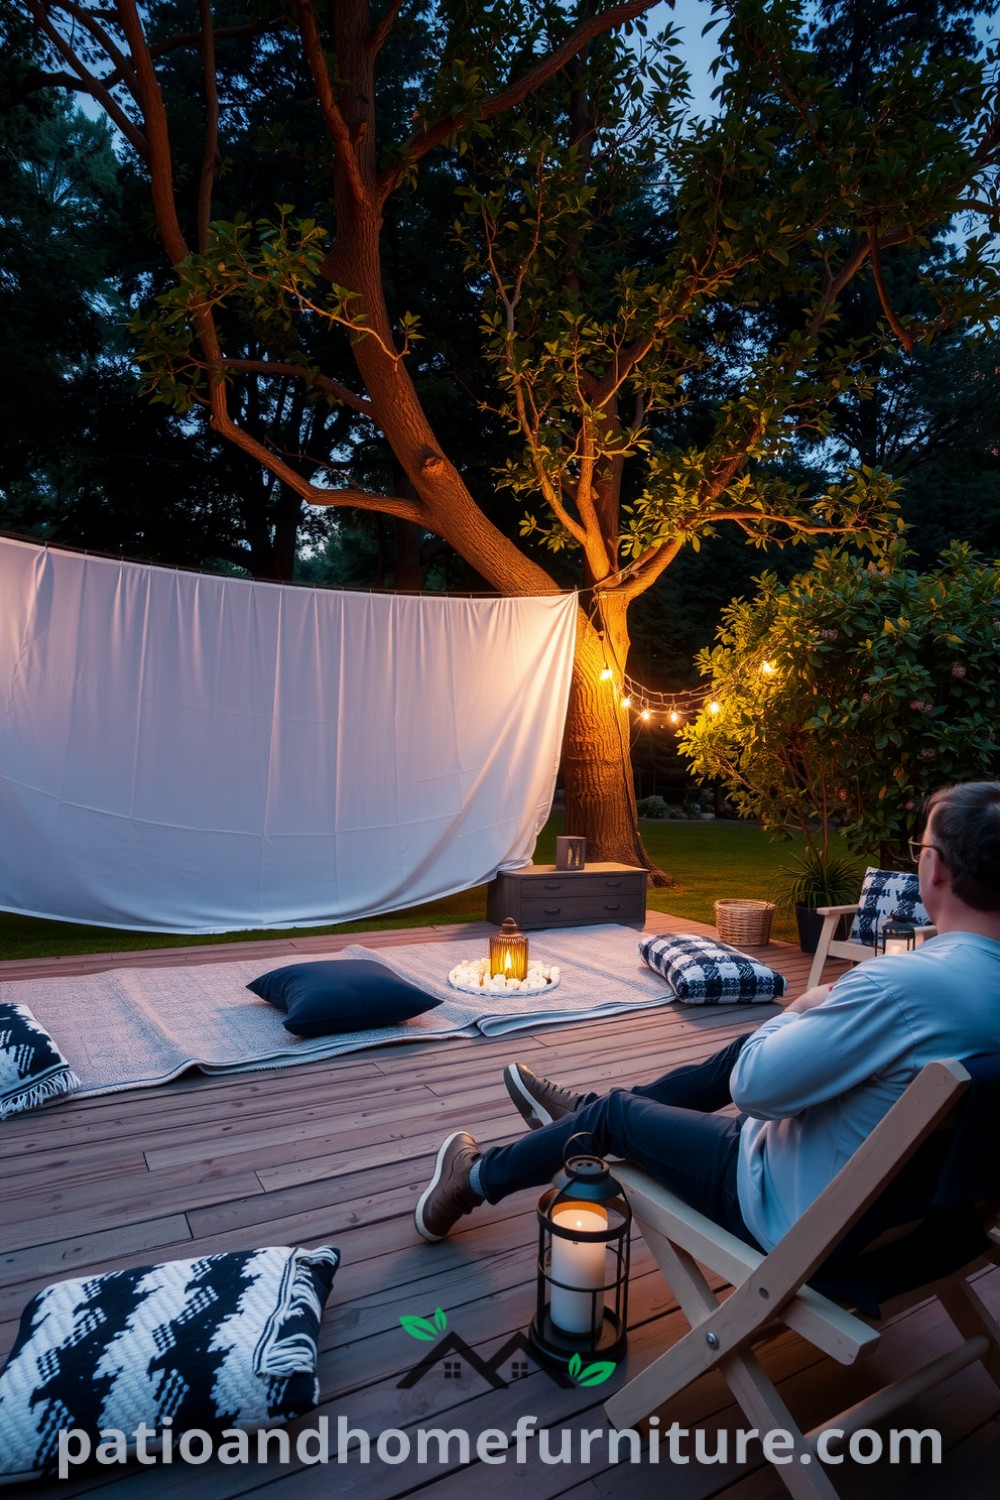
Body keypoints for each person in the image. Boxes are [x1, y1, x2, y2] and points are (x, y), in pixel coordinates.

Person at [415, 780, 1000, 1246]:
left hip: (799, 1212)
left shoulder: (899, 989)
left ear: (936, 869)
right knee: (738, 1051)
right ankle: (584, 1116)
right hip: (922, 1225)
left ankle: (474, 1178)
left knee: (630, 1113)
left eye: (920, 847)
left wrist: (804, 1004)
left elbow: (754, 1092)